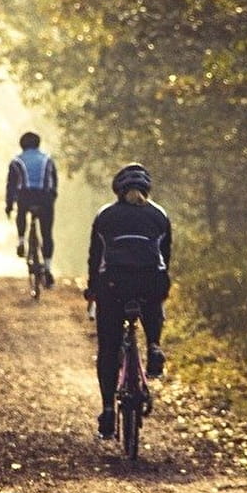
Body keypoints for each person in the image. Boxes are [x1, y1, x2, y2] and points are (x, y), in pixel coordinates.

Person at [82, 162, 171, 440]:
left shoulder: (105, 216)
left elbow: (95, 258)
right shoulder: (159, 216)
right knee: (153, 299)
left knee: (108, 349)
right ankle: (154, 345)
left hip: (113, 285)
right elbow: (165, 259)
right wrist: (160, 286)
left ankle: (108, 412)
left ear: (118, 190)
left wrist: (92, 290)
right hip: (150, 282)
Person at [5, 131, 58, 285]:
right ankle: (47, 268)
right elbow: (54, 182)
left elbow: (11, 186)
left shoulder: (16, 161)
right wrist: (51, 199)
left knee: (21, 212)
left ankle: (21, 240)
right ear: (38, 144)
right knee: (47, 234)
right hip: (45, 198)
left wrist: (9, 206)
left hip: (26, 197)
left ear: (22, 145)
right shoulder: (48, 159)